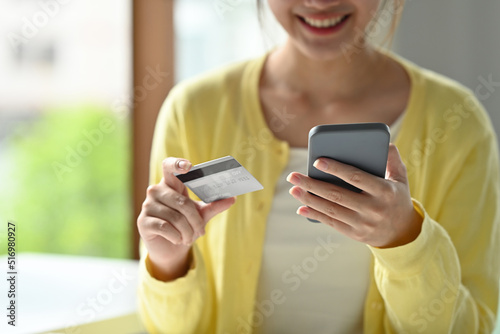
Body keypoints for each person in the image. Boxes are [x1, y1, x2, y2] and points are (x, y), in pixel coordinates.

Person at [136, 0, 500, 332]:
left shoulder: (458, 123)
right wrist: (169, 262)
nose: (320, 3)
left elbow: (473, 327)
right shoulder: (194, 110)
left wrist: (405, 240)